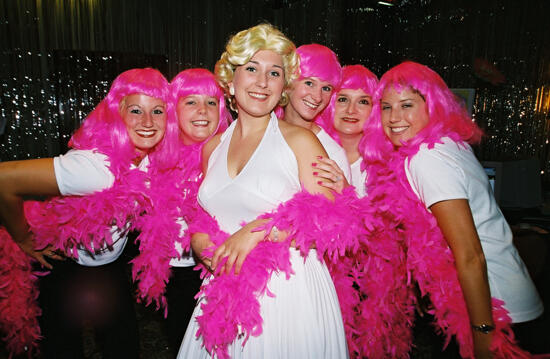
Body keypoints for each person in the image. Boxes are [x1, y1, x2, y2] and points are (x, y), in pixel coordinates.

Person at [178, 23, 349, 359]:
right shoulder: (212, 148)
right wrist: (198, 240)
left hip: (287, 295)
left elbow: (330, 216)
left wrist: (258, 231)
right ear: (232, 79)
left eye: (274, 73)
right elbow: (206, 212)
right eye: (252, 69)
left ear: (283, 85)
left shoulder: (301, 141)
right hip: (223, 294)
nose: (262, 82)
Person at [361, 61, 542, 358]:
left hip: (494, 309)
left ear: (431, 106)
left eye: (407, 105)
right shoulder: (446, 144)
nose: (394, 118)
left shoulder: (428, 159)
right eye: (386, 107)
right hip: (500, 297)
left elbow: (469, 254)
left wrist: (483, 332)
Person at [0, 68, 177, 358]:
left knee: (122, 344)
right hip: (62, 261)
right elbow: (4, 179)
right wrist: (22, 238)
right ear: (116, 113)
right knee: (62, 347)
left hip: (109, 264)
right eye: (136, 110)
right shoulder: (93, 169)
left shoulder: (151, 160)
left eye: (157, 111)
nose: (147, 122)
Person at [130, 68, 230, 357]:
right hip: (171, 273)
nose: (203, 110)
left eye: (211, 102)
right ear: (173, 108)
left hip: (219, 271)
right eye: (191, 102)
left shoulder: (232, 154)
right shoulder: (151, 154)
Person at [282, 43, 351, 188]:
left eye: (326, 88)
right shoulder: (264, 130)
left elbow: (341, 209)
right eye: (309, 83)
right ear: (288, 84)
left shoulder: (332, 154)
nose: (317, 97)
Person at [320, 64, 378, 197]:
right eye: (343, 99)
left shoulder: (386, 163)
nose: (351, 110)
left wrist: (348, 194)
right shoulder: (313, 148)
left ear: (374, 110)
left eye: (363, 102)